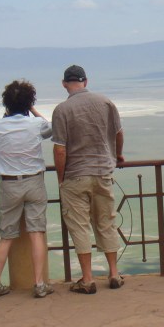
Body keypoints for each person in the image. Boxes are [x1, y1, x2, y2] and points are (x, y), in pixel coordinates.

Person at [52, 65, 125, 294]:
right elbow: (118, 133)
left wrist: (61, 178)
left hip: (75, 175)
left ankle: (87, 278)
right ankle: (114, 273)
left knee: (80, 226)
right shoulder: (105, 102)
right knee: (106, 221)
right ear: (85, 81)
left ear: (64, 83)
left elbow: (60, 149)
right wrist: (117, 155)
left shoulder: (62, 110)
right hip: (103, 171)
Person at [0, 80, 54, 299]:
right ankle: (39, 283)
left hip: (9, 184)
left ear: (6, 103)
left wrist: (8, 114)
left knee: (6, 236)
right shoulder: (35, 125)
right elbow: (50, 129)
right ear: (29, 102)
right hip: (34, 180)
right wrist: (32, 110)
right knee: (36, 233)